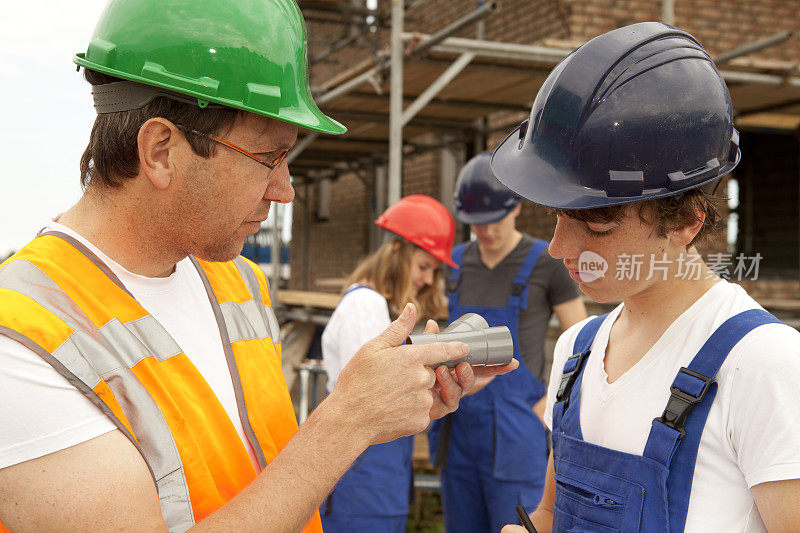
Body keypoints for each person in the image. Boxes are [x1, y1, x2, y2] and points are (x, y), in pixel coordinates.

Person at [0, 2, 519, 531]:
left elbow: (267, 468)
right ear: (160, 150)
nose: (287, 189)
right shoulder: (22, 340)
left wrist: (375, 407)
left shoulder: (237, 280)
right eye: (268, 157)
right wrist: (345, 422)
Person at [493, 22, 800, 532]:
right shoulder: (577, 351)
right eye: (558, 215)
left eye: (596, 222)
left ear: (685, 220)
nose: (558, 247)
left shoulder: (764, 365)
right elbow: (550, 515)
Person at [428, 153, 586, 533]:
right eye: (476, 224)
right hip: (459, 427)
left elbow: (584, 343)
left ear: (515, 205)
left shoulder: (547, 263)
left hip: (518, 433)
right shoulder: (453, 263)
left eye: (494, 220)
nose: (486, 232)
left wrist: (547, 407)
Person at [320, 194, 457, 532]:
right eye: (423, 266)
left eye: (434, 271)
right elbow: (375, 394)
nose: (427, 279)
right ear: (397, 251)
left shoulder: (374, 306)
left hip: (378, 474)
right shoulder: (365, 306)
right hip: (363, 476)